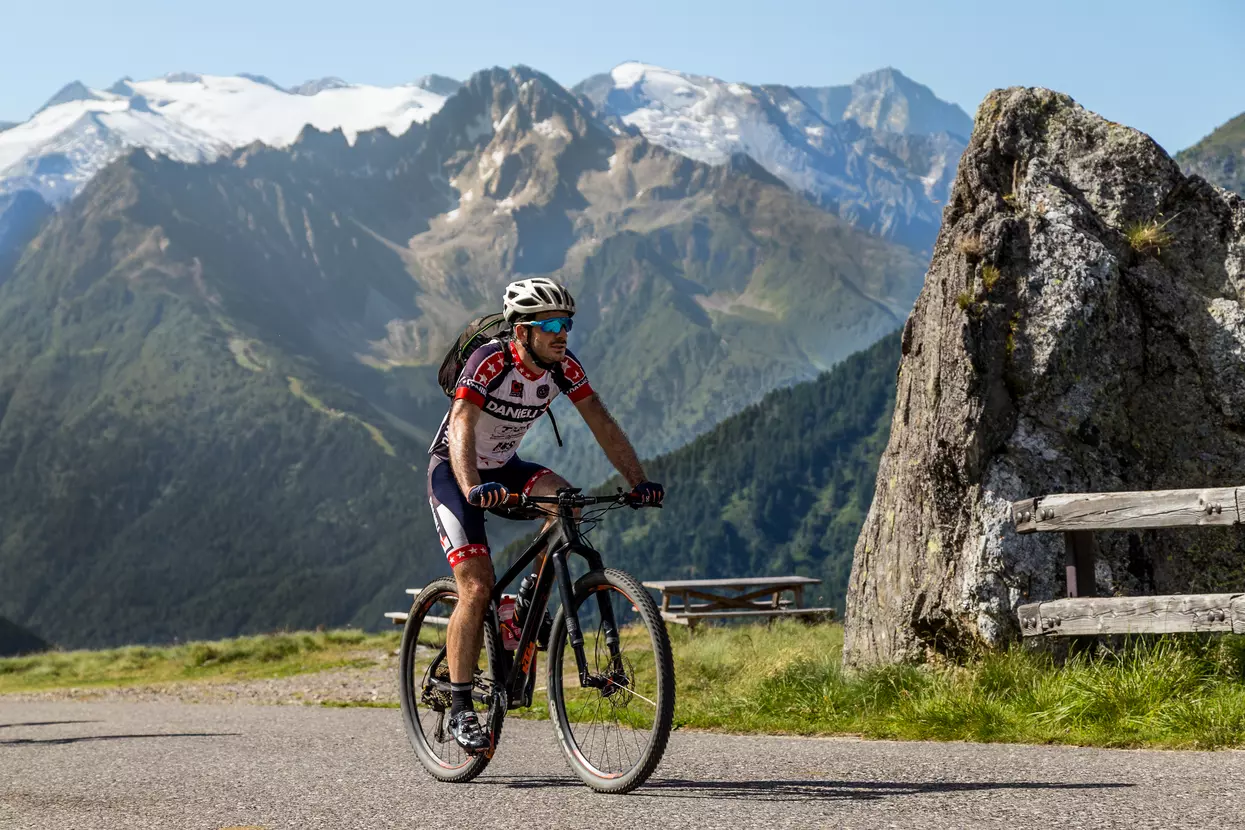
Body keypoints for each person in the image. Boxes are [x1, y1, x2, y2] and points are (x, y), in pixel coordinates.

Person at [426, 277, 664, 754]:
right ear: (522, 332)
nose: (562, 334)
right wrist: (473, 486)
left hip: (508, 470)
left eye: (568, 324)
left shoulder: (563, 367)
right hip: (455, 473)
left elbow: (599, 419)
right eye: (551, 324)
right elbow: (462, 423)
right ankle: (459, 706)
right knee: (475, 587)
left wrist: (638, 480)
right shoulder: (489, 361)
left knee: (566, 501)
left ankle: (530, 596)